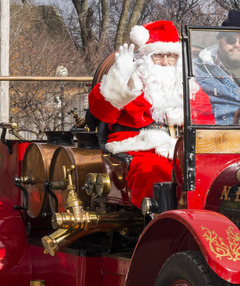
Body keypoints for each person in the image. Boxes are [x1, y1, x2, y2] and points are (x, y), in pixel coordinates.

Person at [88, 20, 214, 208]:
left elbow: (207, 124)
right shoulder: (132, 83)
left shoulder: (190, 89)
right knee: (155, 173)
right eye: (159, 56)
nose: (165, 62)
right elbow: (100, 112)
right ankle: (163, 222)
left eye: (171, 56)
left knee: (213, 173)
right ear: (147, 58)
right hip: (140, 146)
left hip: (183, 147)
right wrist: (118, 79)